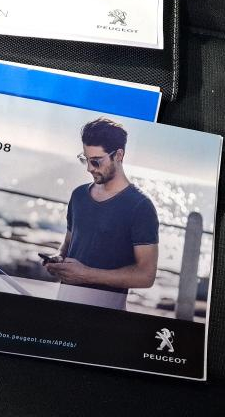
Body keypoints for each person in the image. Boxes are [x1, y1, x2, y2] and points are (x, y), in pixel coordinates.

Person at [44, 117, 159, 310]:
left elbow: (146, 276)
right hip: (62, 308)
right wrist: (58, 260)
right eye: (85, 159)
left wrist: (85, 274)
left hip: (104, 318)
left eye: (96, 161)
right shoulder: (79, 195)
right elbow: (68, 246)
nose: (89, 168)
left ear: (118, 155)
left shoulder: (141, 206)